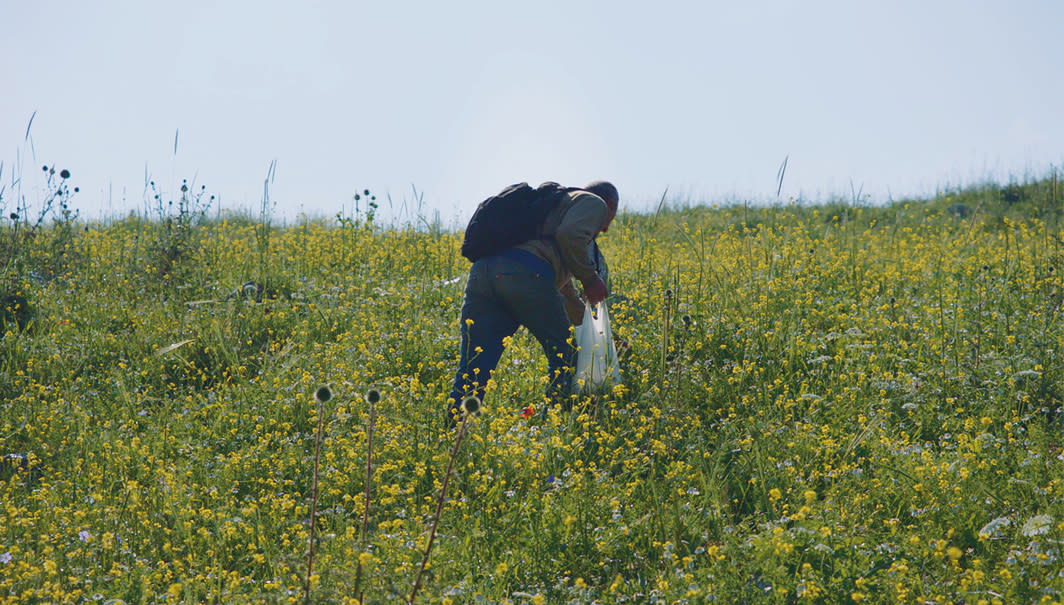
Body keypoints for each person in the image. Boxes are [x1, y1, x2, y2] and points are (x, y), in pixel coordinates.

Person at [446, 181, 619, 423]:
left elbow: (566, 294)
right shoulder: (594, 203)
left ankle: (451, 434)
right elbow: (570, 235)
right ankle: (553, 426)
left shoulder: (548, 211)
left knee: (474, 366)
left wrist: (600, 333)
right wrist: (591, 279)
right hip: (525, 274)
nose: (604, 229)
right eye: (608, 220)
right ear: (610, 205)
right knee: (565, 358)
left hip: (482, 273)